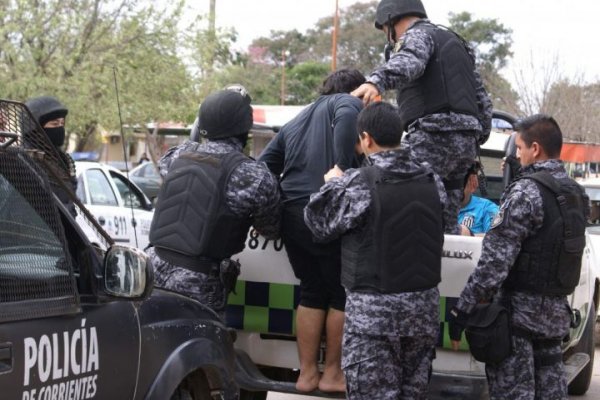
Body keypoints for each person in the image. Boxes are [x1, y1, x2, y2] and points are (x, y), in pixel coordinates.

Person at [304, 102, 446, 399]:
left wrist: (333, 184)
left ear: (366, 139)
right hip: (422, 315)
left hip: (374, 319)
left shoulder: (358, 184)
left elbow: (318, 223)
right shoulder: (434, 180)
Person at [448, 114, 589, 399]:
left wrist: (462, 311)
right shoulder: (577, 194)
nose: (518, 154)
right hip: (554, 320)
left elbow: (494, 262)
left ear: (535, 149)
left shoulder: (526, 192)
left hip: (518, 321)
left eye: (520, 149)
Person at [258, 69, 365, 393]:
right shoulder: (348, 104)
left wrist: (280, 201)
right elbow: (348, 113)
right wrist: (343, 168)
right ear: (355, 92)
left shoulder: (294, 121)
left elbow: (263, 165)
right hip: (328, 210)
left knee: (311, 290)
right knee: (340, 292)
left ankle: (305, 374)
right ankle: (332, 373)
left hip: (293, 213)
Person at [351, 0, 493, 234]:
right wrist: (477, 135)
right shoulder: (457, 43)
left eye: (387, 32)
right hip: (466, 144)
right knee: (445, 223)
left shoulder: (418, 35)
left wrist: (376, 81)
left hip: (433, 137)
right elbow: (481, 97)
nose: (390, 38)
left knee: (389, 186)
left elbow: (410, 61)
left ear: (392, 20)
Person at [147, 86, 281, 319]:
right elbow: (271, 228)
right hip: (198, 283)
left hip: (151, 270)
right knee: (198, 350)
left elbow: (177, 158)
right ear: (245, 127)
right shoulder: (254, 176)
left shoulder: (177, 156)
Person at [25, 95, 77, 216]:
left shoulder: (64, 161)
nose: (60, 128)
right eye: (54, 124)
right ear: (36, 129)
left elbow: (71, 200)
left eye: (62, 123)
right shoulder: (23, 158)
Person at [459, 161, 499, 236]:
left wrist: (470, 235)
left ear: (473, 182)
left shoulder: (486, 208)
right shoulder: (436, 206)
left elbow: (498, 238)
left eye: (457, 181)